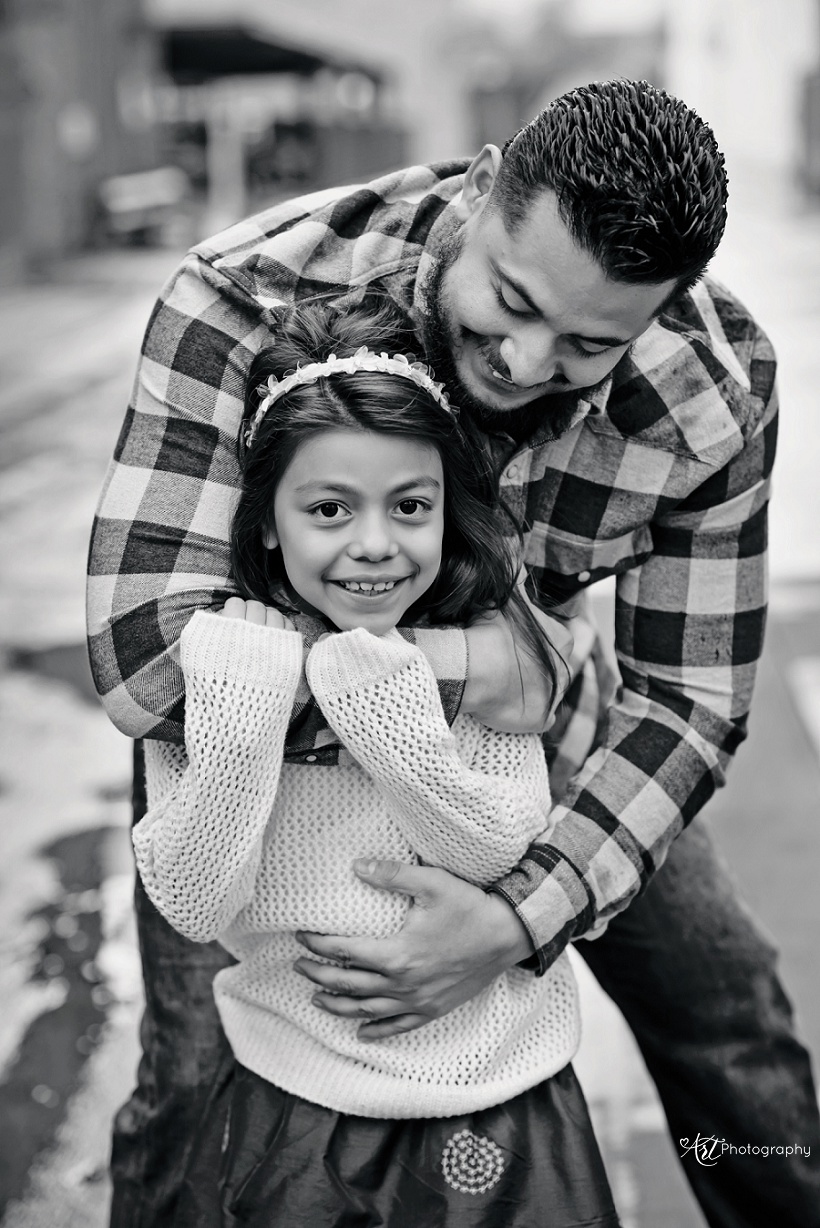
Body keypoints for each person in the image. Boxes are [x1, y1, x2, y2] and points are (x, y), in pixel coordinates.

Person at [87, 79, 820, 1227]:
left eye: (588, 343)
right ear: (481, 191)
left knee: (729, 1023)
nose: (525, 361)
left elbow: (688, 700)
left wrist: (520, 918)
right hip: (252, 758)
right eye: (511, 301)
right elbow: (145, 662)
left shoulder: (714, 394)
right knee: (190, 1086)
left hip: (539, 744)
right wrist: (477, 667)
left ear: (664, 308)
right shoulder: (247, 298)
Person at [131, 297, 618, 1225]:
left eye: (410, 507)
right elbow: (192, 902)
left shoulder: (481, 653)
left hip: (501, 1086)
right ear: (266, 523)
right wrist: (242, 717)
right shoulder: (225, 660)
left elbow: (498, 851)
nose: (375, 545)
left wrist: (386, 706)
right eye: (328, 509)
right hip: (295, 1094)